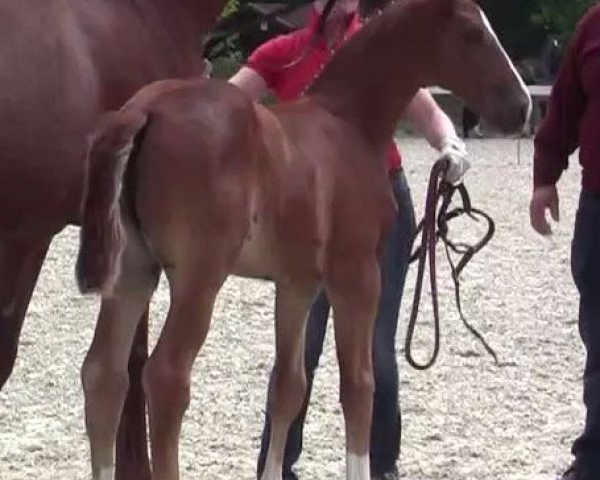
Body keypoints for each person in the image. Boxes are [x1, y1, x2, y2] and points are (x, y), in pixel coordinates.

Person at [229, 1, 470, 478]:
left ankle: (381, 464)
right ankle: (278, 463)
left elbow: (427, 112)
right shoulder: (286, 53)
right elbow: (228, 103)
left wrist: (450, 144)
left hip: (380, 201)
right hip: (309, 214)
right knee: (303, 347)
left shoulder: (377, 48)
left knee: (376, 352)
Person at [529, 5, 600, 480]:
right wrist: (544, 178)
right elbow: (565, 104)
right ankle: (595, 458)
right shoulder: (595, 25)